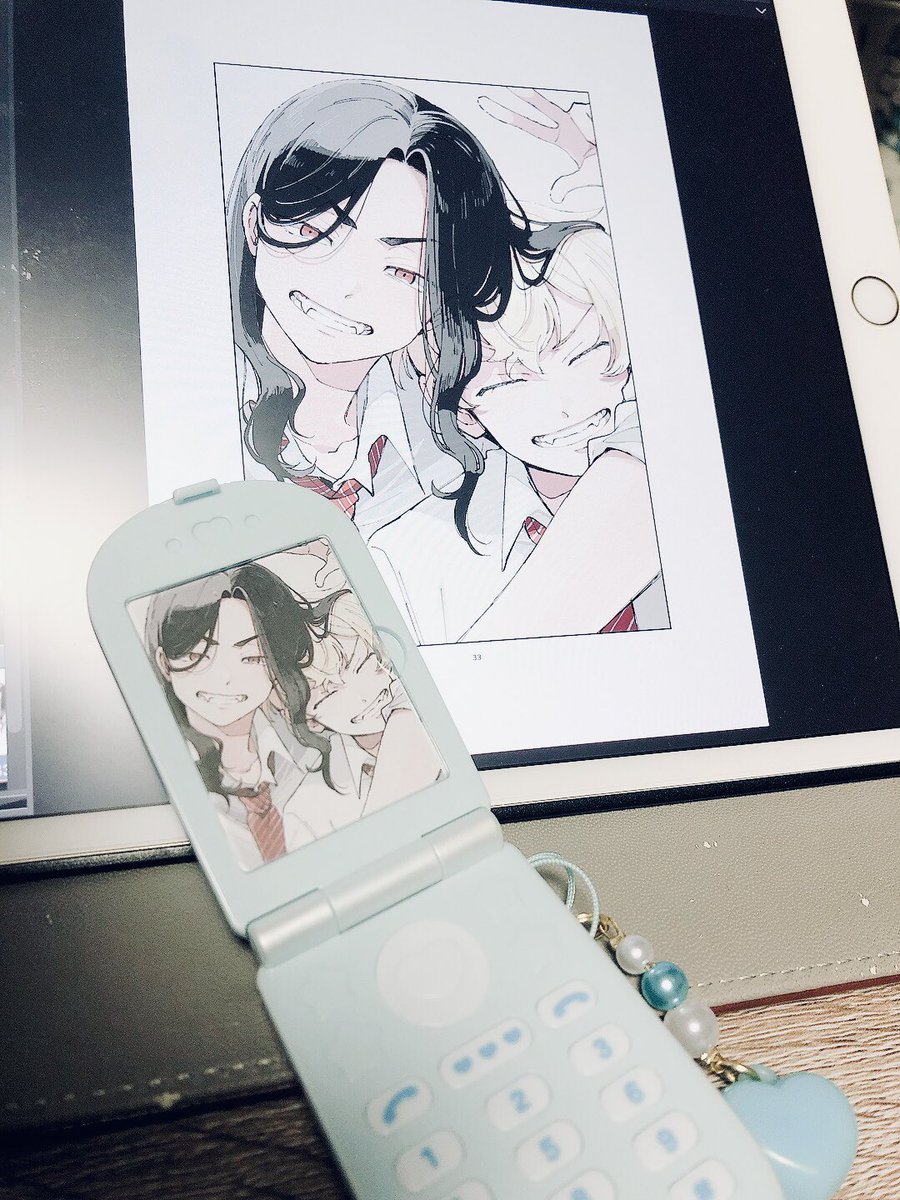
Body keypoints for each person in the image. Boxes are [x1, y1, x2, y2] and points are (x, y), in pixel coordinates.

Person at [226, 77, 580, 540]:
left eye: (403, 269)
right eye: (316, 233)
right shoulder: (197, 389)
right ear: (255, 223)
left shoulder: (463, 416)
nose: (347, 288)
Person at [369, 226, 665, 643]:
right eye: (511, 385)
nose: (568, 408)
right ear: (465, 413)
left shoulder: (678, 457)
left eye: (588, 355)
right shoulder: (408, 559)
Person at [144, 563, 337, 870]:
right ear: (164, 662)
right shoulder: (165, 775)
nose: (225, 679)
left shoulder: (314, 750)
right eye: (198, 655)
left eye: (252, 657)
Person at [303, 591, 444, 812]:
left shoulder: (418, 715)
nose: (364, 694)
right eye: (331, 692)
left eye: (369, 661)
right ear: (311, 719)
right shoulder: (316, 796)